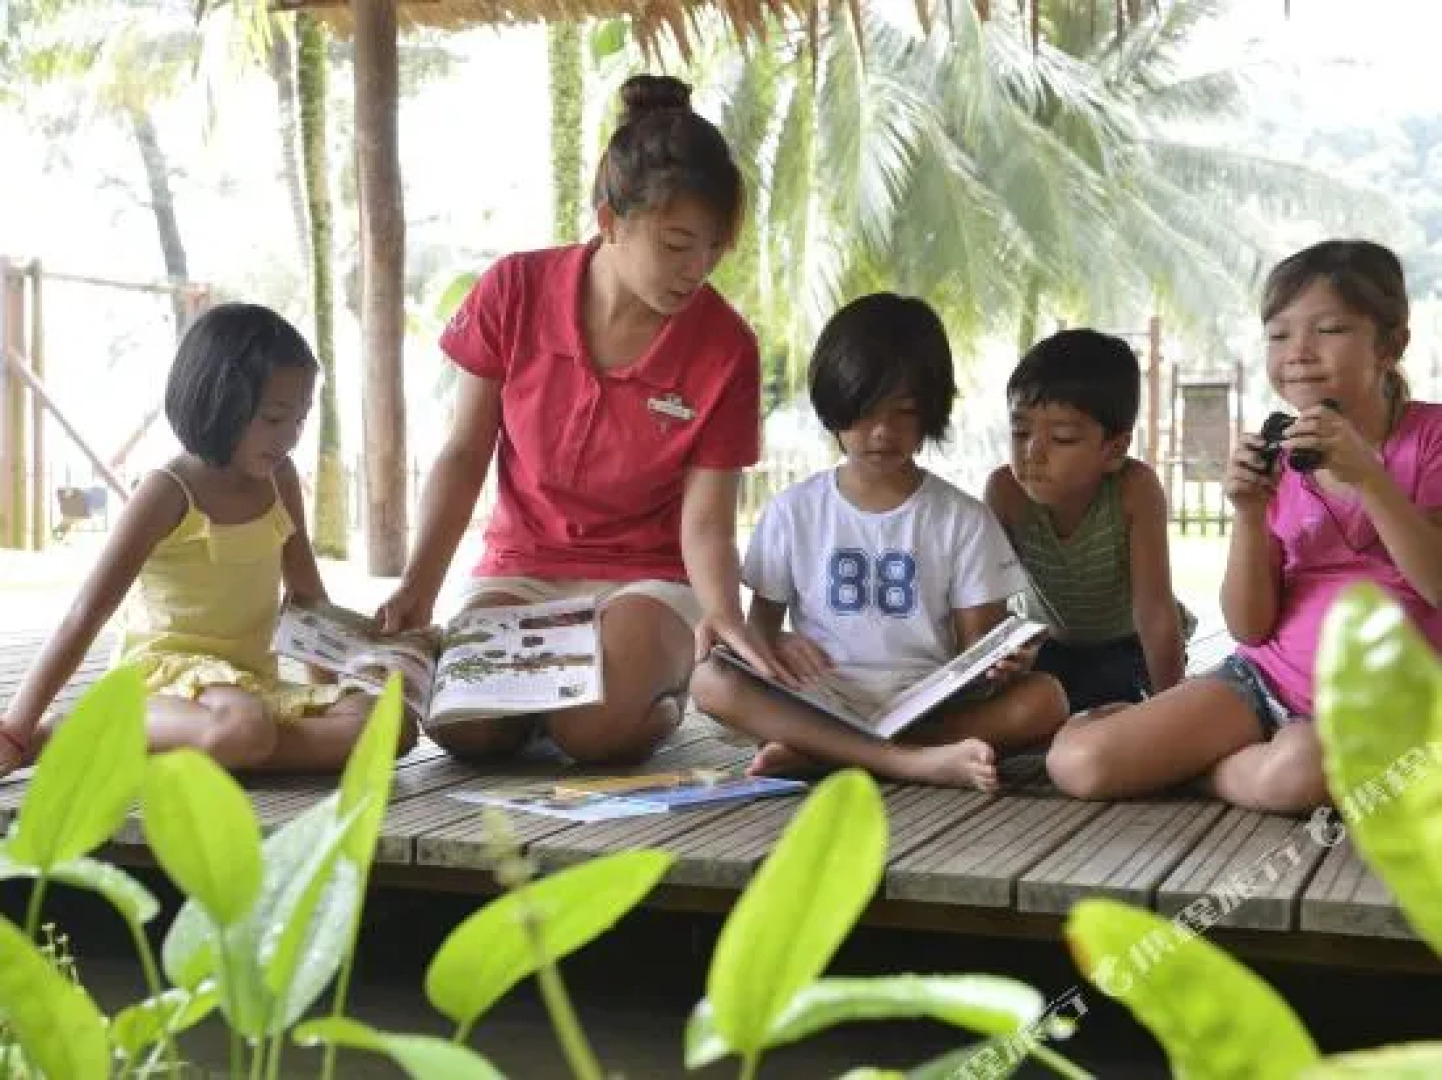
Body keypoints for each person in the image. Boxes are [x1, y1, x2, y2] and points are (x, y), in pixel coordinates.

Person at [376, 74, 790, 766]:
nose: (698, 268)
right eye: (678, 243)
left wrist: (720, 609)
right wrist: (419, 586)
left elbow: (707, 519)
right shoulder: (515, 288)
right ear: (610, 221)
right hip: (523, 565)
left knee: (593, 732)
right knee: (464, 727)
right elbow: (463, 453)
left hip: (645, 580)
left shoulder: (726, 347)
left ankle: (648, 702)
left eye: (714, 247)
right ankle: (535, 709)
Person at [1045, 240, 1442, 814]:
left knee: (1304, 774)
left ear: (1391, 344)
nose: (1299, 352)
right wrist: (1249, 515)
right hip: (1266, 681)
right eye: (1279, 335)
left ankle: (1207, 769)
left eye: (1328, 329)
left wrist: (1369, 478)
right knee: (1078, 765)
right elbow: (1250, 627)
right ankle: (1215, 748)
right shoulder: (1281, 458)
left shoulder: (1429, 439)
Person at [0, 303, 403, 779]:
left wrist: (328, 697)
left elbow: (306, 597)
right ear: (221, 403)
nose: (290, 437)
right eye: (274, 419)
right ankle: (75, 730)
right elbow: (85, 613)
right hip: (166, 678)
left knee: (390, 723)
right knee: (245, 729)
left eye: (300, 419)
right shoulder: (168, 490)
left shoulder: (281, 478)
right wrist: (15, 729)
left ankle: (227, 746)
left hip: (246, 687)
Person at [689, 293, 1069, 789]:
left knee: (1046, 699)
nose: (882, 432)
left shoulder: (961, 519)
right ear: (834, 406)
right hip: (820, 696)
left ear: (931, 411)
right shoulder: (794, 510)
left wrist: (1002, 665)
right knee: (710, 680)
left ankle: (824, 754)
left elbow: (978, 648)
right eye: (864, 412)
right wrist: (776, 643)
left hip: (925, 703)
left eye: (905, 411)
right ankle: (903, 762)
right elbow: (759, 632)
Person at [983, 329, 1190, 714]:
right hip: (1048, 646)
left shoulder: (1134, 490)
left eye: (1061, 438)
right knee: (1034, 701)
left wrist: (1170, 713)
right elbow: (988, 604)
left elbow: (1155, 613)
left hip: (1127, 645)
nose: (1033, 452)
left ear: (1113, 449)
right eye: (1020, 431)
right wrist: (1006, 658)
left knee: (1111, 694)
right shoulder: (1005, 492)